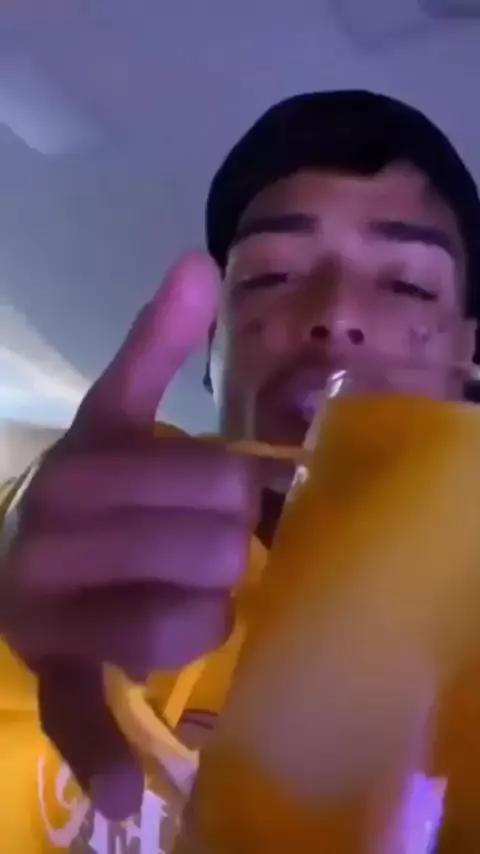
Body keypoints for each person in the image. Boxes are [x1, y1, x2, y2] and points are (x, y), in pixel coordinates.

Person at [1, 89, 480, 852]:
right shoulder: (110, 510)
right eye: (272, 276)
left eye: (407, 285)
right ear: (214, 345)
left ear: (469, 351)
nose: (335, 315)